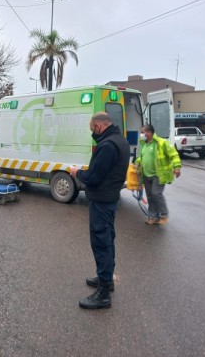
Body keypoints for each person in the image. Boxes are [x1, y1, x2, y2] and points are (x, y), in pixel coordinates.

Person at [70, 112, 130, 310]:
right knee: (107, 240)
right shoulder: (120, 141)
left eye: (91, 129)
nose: (92, 133)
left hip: (102, 201)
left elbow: (94, 177)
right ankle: (106, 279)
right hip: (110, 199)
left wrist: (77, 172)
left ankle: (103, 294)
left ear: (98, 126)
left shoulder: (107, 145)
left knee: (101, 243)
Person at [135, 124, 181, 226]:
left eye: (143, 132)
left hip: (158, 174)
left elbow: (174, 154)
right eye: (141, 132)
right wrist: (137, 162)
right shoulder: (144, 144)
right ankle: (153, 217)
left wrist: (177, 167)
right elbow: (143, 157)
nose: (141, 134)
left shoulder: (161, 143)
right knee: (150, 196)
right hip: (146, 175)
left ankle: (164, 214)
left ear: (150, 133)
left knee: (156, 193)